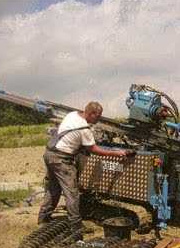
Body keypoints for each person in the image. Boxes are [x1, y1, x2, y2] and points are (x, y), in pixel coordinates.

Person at [38, 101, 134, 238]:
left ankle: (43, 218)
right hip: (61, 159)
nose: (98, 119)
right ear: (91, 113)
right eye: (98, 116)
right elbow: (94, 149)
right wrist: (117, 153)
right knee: (72, 193)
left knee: (53, 189)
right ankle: (76, 228)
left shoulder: (72, 115)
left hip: (49, 153)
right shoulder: (84, 129)